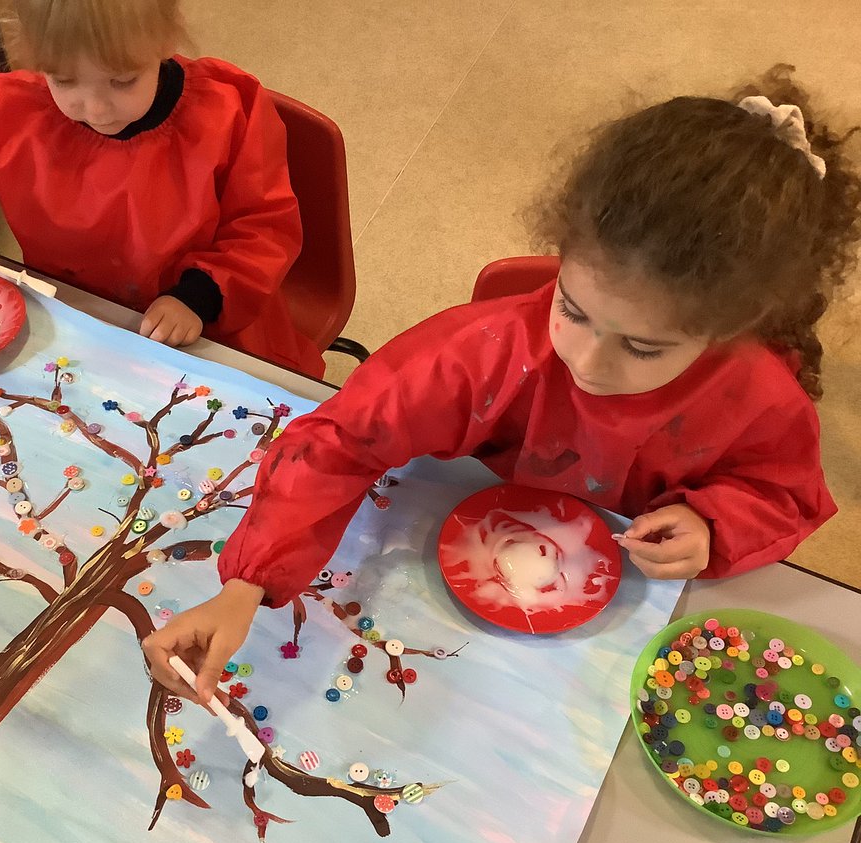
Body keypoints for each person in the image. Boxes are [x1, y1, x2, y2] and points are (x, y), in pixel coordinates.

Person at [143, 64, 861, 703]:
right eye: (571, 310)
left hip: (607, 631)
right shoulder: (482, 353)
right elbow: (339, 441)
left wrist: (716, 524)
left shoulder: (757, 396)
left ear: (732, 329)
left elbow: (781, 491)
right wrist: (246, 584)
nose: (588, 362)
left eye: (643, 348)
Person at [0, 0, 323, 377]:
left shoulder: (228, 113)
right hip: (73, 321)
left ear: (164, 40)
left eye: (122, 80)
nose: (96, 108)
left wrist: (197, 298)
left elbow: (262, 227)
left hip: (210, 324)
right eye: (63, 80)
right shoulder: (8, 105)